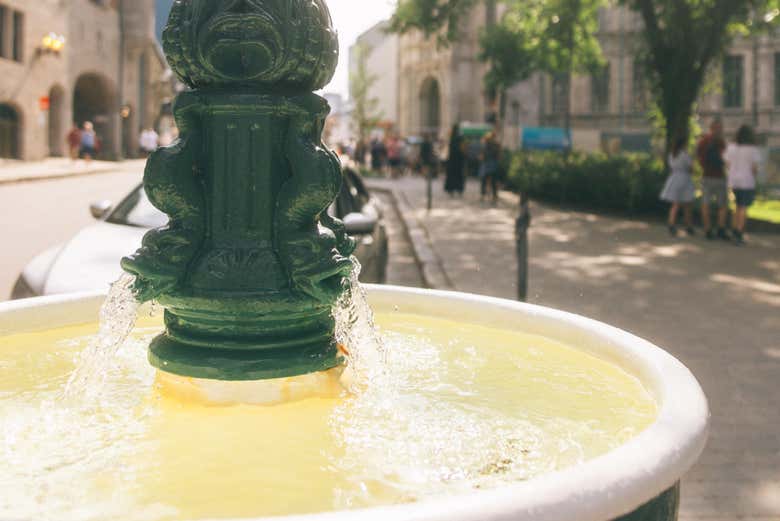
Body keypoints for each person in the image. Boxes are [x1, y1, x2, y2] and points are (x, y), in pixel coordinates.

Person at [724, 125, 761, 245]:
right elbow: (754, 169)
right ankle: (739, 232)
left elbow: (727, 164)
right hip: (747, 181)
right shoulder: (752, 149)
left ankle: (735, 229)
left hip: (734, 181)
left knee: (737, 205)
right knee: (743, 207)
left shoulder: (731, 148)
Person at [696, 119, 729, 240]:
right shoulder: (721, 142)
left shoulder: (703, 141)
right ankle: (721, 228)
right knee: (722, 205)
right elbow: (725, 159)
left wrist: (704, 166)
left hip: (706, 176)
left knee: (705, 204)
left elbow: (698, 157)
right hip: (719, 176)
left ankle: (708, 229)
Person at [660, 135, 696, 236]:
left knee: (675, 204)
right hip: (684, 179)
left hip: (674, 178)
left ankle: (671, 223)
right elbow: (691, 168)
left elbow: (671, 166)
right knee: (687, 204)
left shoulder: (672, 154)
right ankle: (688, 225)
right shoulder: (684, 155)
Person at [479, 131, 501, 205]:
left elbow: (482, 156)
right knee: (493, 181)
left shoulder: (485, 145)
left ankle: (483, 195)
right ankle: (494, 197)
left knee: (484, 181)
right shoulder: (496, 145)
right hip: (493, 164)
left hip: (486, 165)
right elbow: (499, 156)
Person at [444, 123, 466, 197]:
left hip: (452, 160)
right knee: (458, 175)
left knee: (452, 175)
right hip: (458, 160)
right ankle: (459, 190)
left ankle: (451, 190)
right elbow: (463, 148)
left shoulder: (451, 137)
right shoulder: (459, 137)